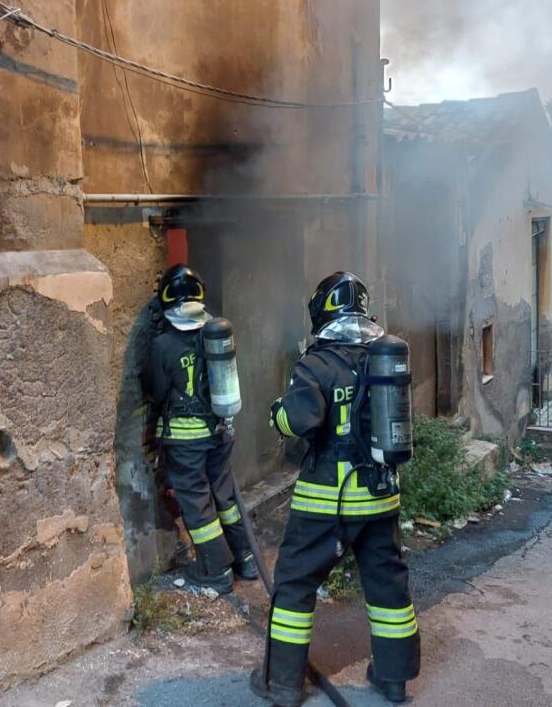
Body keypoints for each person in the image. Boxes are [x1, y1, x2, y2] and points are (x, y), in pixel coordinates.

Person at [251, 271, 420, 706]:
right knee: (387, 586)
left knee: (294, 584)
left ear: (322, 311)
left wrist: (277, 414)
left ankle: (284, 685)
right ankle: (393, 679)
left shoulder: (318, 362)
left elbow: (302, 420)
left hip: (328, 499)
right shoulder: (383, 358)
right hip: (381, 495)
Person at [142, 264, 257, 592]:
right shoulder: (215, 333)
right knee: (224, 495)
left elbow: (155, 390)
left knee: (197, 503)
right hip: (221, 432)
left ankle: (215, 571)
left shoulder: (163, 344)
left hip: (186, 440)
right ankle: (245, 559)